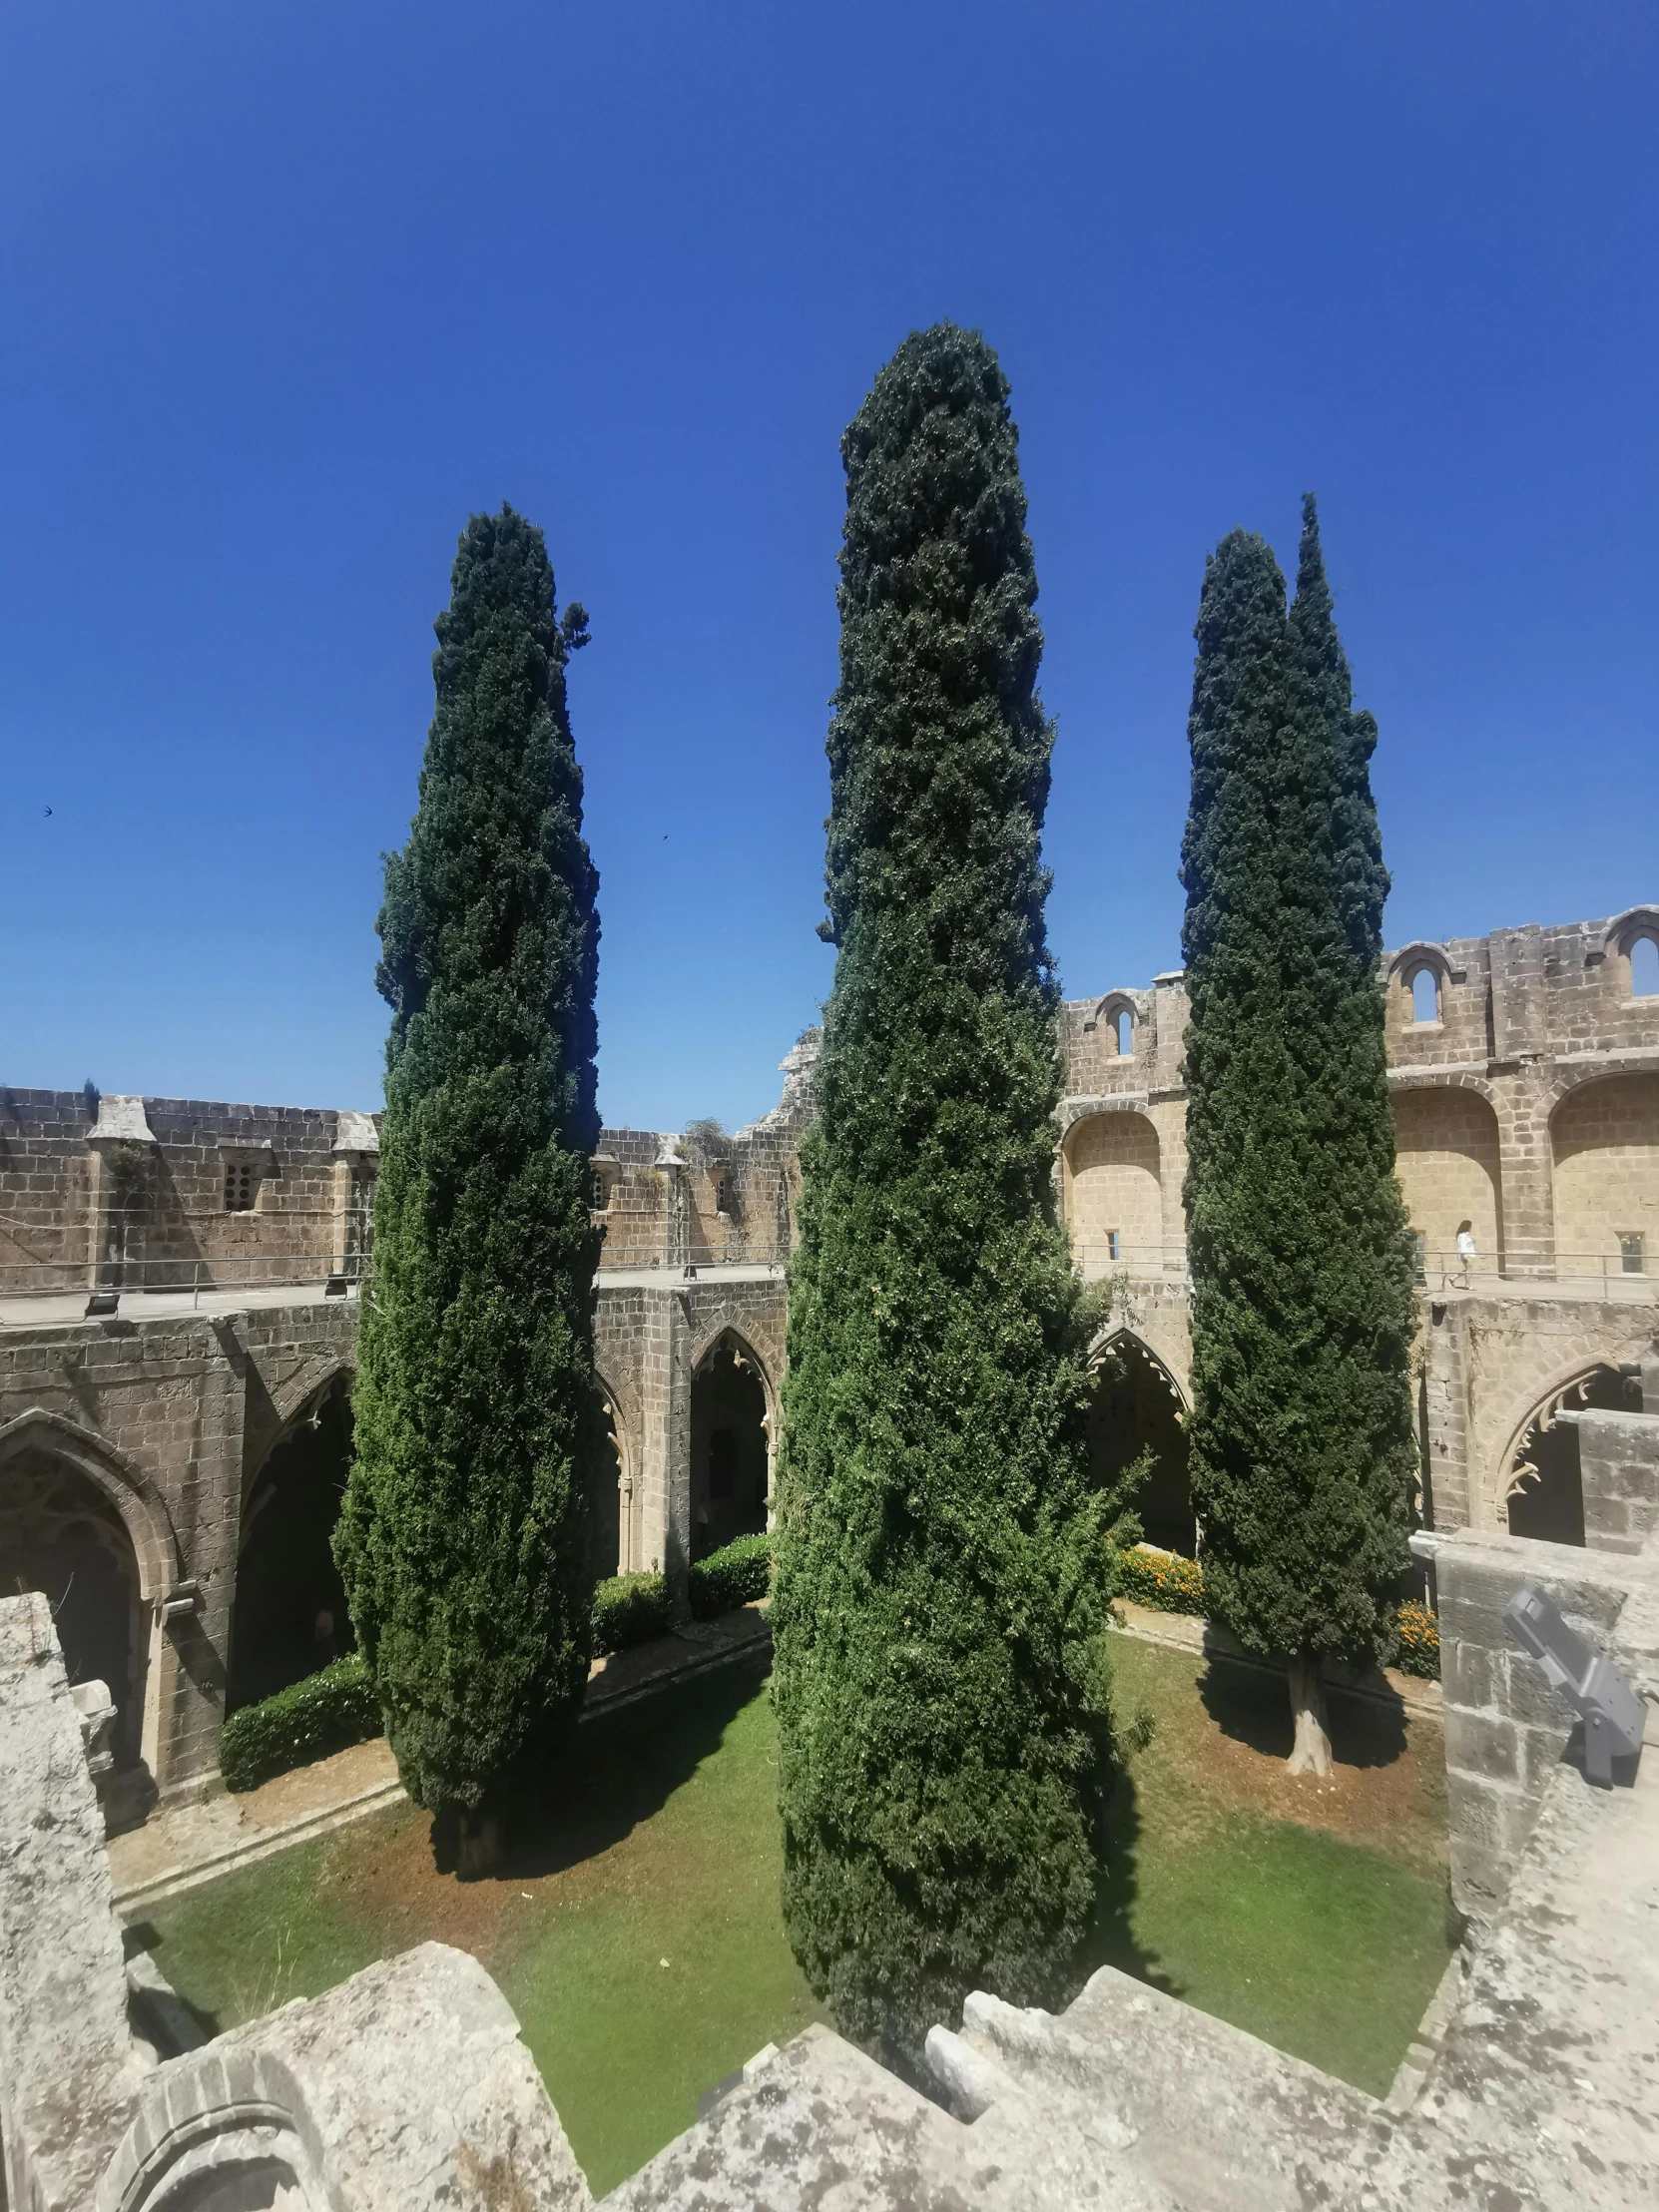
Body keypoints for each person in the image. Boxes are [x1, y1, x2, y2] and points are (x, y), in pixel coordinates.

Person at [1452, 1221, 1476, 1289]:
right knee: (1469, 1269)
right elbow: (1462, 1245)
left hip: (1468, 1253)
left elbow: (1467, 1243)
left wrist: (1472, 1241)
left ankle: (1453, 1278)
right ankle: (1467, 1285)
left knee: (1468, 1269)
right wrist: (1464, 1254)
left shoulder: (1466, 1235)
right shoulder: (1462, 1235)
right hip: (1466, 1254)